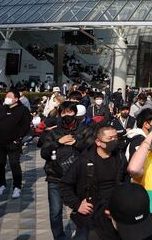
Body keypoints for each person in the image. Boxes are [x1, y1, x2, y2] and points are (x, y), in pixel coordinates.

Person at [40, 101, 95, 240]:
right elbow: (44, 153)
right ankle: (59, 237)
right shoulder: (54, 132)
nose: (67, 115)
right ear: (59, 115)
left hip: (79, 178)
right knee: (55, 212)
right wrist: (58, 142)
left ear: (75, 113)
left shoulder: (85, 129)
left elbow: (91, 149)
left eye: (70, 112)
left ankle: (82, 235)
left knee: (83, 209)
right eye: (63, 113)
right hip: (56, 176)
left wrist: (76, 143)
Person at [60, 126, 129, 237]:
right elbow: (65, 184)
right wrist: (77, 204)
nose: (114, 141)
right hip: (91, 214)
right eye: (110, 138)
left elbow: (126, 180)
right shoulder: (84, 161)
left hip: (114, 213)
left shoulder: (120, 157)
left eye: (116, 137)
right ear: (98, 142)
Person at [88, 181, 152, 240]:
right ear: (109, 214)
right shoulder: (93, 236)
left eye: (142, 226)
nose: (137, 236)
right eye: (129, 229)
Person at [0, 91, 32, 198]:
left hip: (13, 142)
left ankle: (17, 187)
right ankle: (1, 185)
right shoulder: (1, 109)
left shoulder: (23, 110)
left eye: (9, 96)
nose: (7, 98)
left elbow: (25, 126)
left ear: (16, 99)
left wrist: (18, 139)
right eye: (6, 96)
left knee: (14, 164)